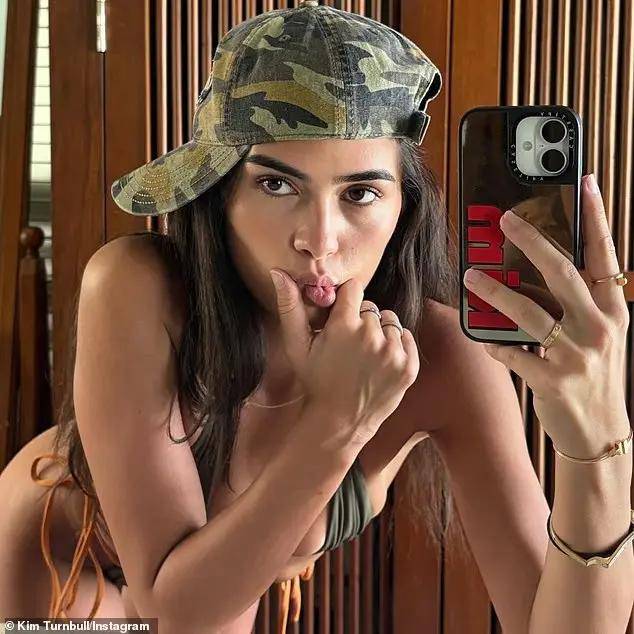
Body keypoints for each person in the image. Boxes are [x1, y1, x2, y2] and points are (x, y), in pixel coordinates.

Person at [1, 2, 633, 633]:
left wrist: (599, 438)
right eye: (277, 185)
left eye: (360, 192)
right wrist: (337, 420)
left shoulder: (441, 357)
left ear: (403, 206)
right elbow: (176, 615)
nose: (320, 241)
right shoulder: (139, 288)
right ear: (220, 193)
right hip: (55, 565)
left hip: (218, 593)